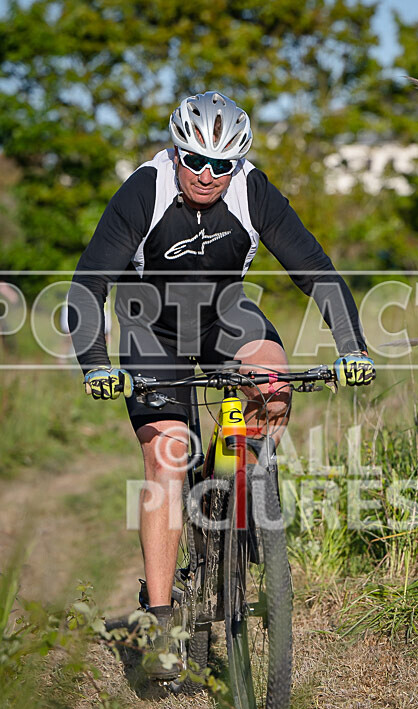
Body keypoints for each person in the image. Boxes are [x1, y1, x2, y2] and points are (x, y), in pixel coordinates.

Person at [68, 91, 375, 679]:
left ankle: (236, 483)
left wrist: (352, 347)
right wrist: (95, 362)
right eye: (195, 160)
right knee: (168, 452)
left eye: (223, 165)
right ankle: (159, 620)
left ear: (238, 164)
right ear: (176, 150)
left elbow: (314, 268)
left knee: (272, 381)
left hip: (224, 318)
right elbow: (90, 282)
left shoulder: (252, 191)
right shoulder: (146, 189)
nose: (208, 175)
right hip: (150, 326)